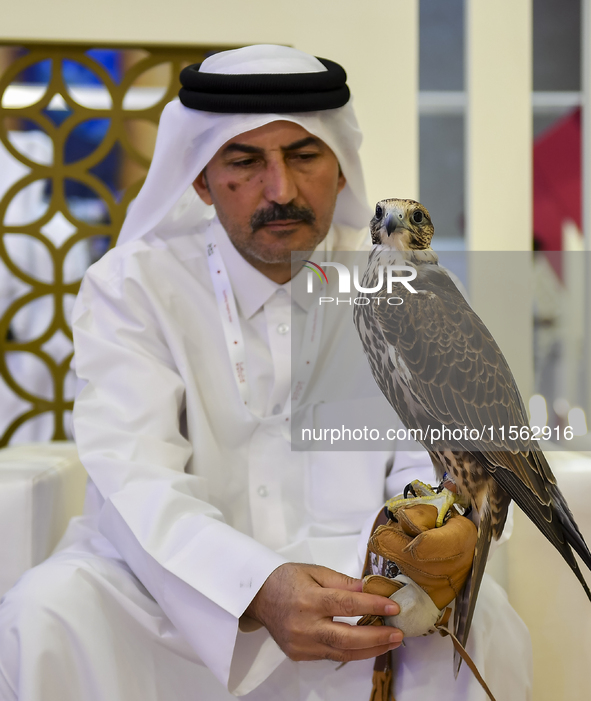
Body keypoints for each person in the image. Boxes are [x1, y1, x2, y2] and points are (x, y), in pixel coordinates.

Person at [0, 45, 532, 701]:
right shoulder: (132, 287)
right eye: (245, 163)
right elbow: (134, 471)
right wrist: (255, 585)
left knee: (491, 629)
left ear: (340, 169)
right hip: (179, 591)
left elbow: (427, 451)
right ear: (198, 179)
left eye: (304, 157)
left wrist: (436, 528)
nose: (279, 190)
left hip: (364, 583)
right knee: (49, 611)